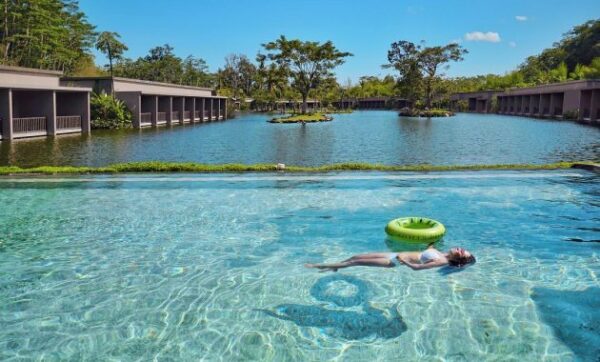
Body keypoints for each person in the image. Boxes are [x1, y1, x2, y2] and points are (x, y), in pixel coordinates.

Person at [305, 244, 475, 272]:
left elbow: (418, 268)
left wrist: (404, 262)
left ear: (458, 259)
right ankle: (335, 267)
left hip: (392, 261)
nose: (460, 249)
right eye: (463, 249)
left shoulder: (442, 261)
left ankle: (318, 266)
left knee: (355, 262)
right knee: (355, 256)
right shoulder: (442, 253)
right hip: (393, 254)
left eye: (462, 253)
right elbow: (427, 251)